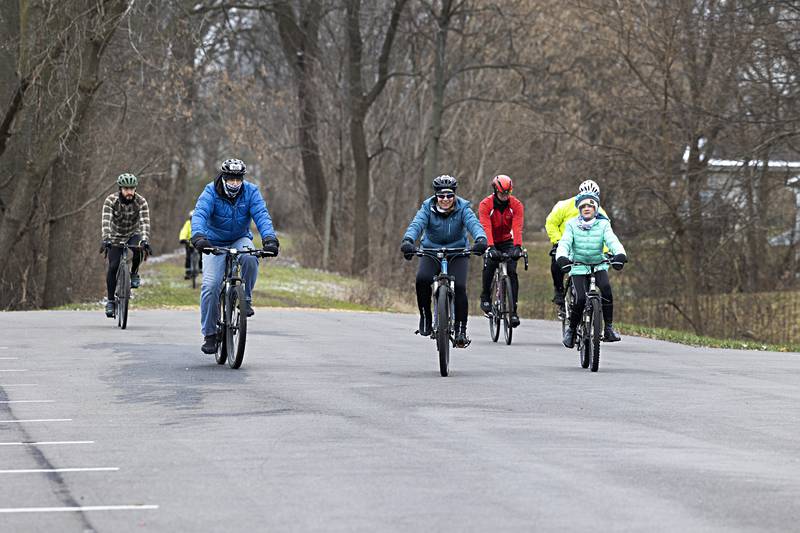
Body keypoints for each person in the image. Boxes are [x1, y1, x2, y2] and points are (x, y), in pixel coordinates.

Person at [190, 158, 280, 354]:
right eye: (231, 179)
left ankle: (245, 299)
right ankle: (210, 334)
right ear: (224, 178)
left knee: (249, 256)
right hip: (213, 242)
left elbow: (262, 215)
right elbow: (200, 214)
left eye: (238, 180)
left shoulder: (251, 191)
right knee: (211, 285)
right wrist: (198, 236)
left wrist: (270, 239)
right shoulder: (210, 191)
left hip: (240, 238)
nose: (235, 184)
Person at [400, 175, 488, 348]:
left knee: (461, 287)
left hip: (457, 251)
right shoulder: (427, 208)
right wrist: (408, 240)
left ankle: (461, 330)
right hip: (431, 249)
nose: (445, 199)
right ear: (436, 196)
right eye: (441, 196)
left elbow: (474, 224)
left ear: (454, 195)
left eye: (449, 195)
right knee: (422, 279)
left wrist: (480, 239)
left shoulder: (463, 209)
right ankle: (425, 317)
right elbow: (416, 224)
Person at [555, 192, 627, 348]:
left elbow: (612, 240)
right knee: (580, 299)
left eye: (590, 206)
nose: (587, 208)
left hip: (598, 264)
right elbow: (565, 243)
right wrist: (562, 257)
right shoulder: (572, 224)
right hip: (578, 267)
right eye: (583, 206)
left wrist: (620, 254)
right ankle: (572, 331)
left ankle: (608, 328)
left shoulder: (603, 224)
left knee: (606, 290)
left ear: (596, 208)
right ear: (579, 209)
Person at [545, 179, 609, 308]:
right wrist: (557, 241)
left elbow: (606, 234)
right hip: (565, 243)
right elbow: (551, 223)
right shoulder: (563, 205)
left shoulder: (600, 212)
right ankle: (559, 289)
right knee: (556, 260)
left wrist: (607, 251)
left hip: (586, 246)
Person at [100, 173, 151, 318]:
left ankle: (134, 273)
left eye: (132, 189)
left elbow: (145, 222)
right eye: (126, 189)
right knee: (113, 266)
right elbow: (106, 221)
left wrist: (145, 240)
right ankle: (110, 301)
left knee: (140, 247)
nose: (129, 192)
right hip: (115, 235)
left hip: (133, 233)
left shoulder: (141, 202)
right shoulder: (111, 200)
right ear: (120, 188)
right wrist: (106, 238)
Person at [478, 174, 524, 327]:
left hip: (506, 240)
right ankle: (485, 296)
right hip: (491, 239)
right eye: (502, 193)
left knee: (512, 270)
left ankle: (513, 310)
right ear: (495, 190)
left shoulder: (516, 205)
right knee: (490, 264)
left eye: (508, 193)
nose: (505, 196)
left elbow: (517, 227)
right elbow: (486, 226)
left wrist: (517, 247)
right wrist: (490, 247)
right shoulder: (486, 205)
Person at [179, 210, 202, 279]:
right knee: (188, 257)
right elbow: (184, 232)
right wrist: (182, 239)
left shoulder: (200, 223)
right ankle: (188, 272)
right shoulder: (188, 224)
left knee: (202, 256)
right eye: (192, 218)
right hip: (189, 243)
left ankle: (201, 268)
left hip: (199, 243)